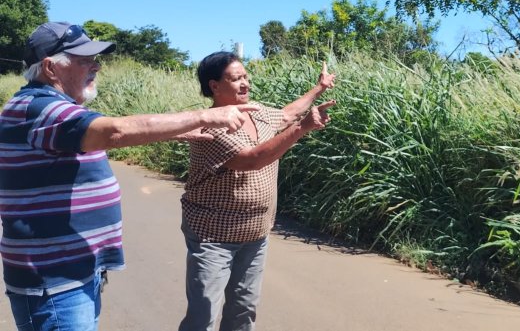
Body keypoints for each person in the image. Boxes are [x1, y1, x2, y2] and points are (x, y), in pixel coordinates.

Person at [0, 22, 258, 331]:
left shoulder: (52, 110)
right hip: (55, 283)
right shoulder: (40, 109)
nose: (96, 66)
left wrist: (180, 131)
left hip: (71, 274)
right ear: (51, 68)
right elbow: (115, 131)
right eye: (85, 60)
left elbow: (98, 139)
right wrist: (207, 115)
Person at [178, 51, 335, 331]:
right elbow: (251, 159)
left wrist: (319, 88)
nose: (245, 84)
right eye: (236, 79)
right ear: (214, 86)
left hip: (255, 234)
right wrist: (302, 128)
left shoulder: (255, 111)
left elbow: (287, 114)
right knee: (203, 315)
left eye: (246, 77)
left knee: (243, 311)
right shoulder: (208, 126)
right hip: (213, 236)